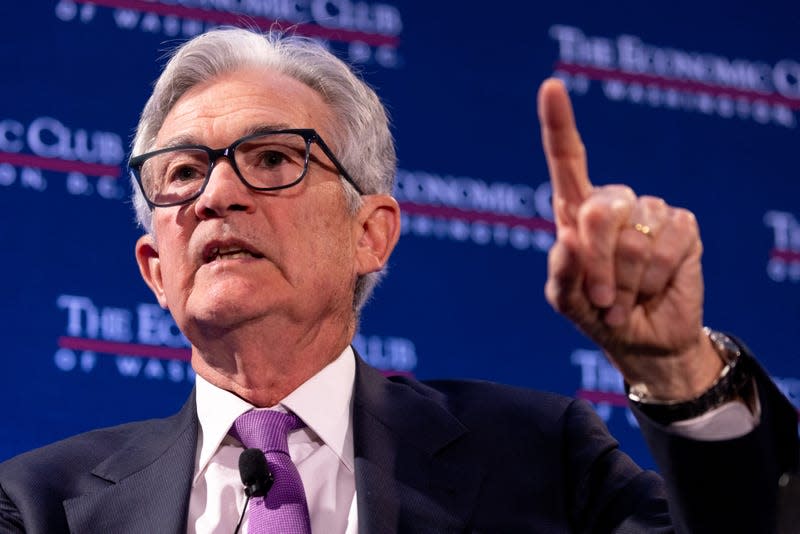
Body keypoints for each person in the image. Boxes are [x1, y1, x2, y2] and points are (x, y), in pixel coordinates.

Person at [0, 27, 796, 533]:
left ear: (370, 234)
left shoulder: (538, 460)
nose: (216, 195)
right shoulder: (39, 508)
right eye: (182, 174)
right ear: (155, 271)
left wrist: (678, 373)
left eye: (273, 159)